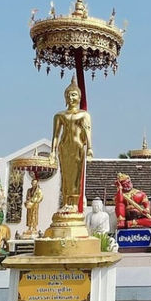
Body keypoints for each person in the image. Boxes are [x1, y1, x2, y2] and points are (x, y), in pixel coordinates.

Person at [50, 75, 92, 209]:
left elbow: (87, 131)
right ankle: (65, 203)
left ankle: (73, 204)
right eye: (68, 95)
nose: (71, 98)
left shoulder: (84, 115)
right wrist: (52, 152)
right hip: (64, 147)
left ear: (79, 97)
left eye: (74, 95)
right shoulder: (60, 115)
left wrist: (90, 148)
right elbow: (55, 135)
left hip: (77, 147)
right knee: (65, 176)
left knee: (75, 177)